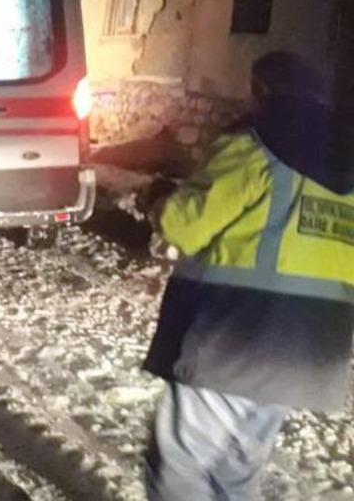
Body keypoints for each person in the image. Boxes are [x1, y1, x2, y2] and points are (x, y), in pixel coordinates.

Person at [142, 51, 354, 500]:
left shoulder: (255, 141)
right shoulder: (346, 157)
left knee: (181, 464)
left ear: (263, 90)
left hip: (240, 331)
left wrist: (160, 199)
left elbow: (187, 224)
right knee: (235, 472)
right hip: (311, 346)